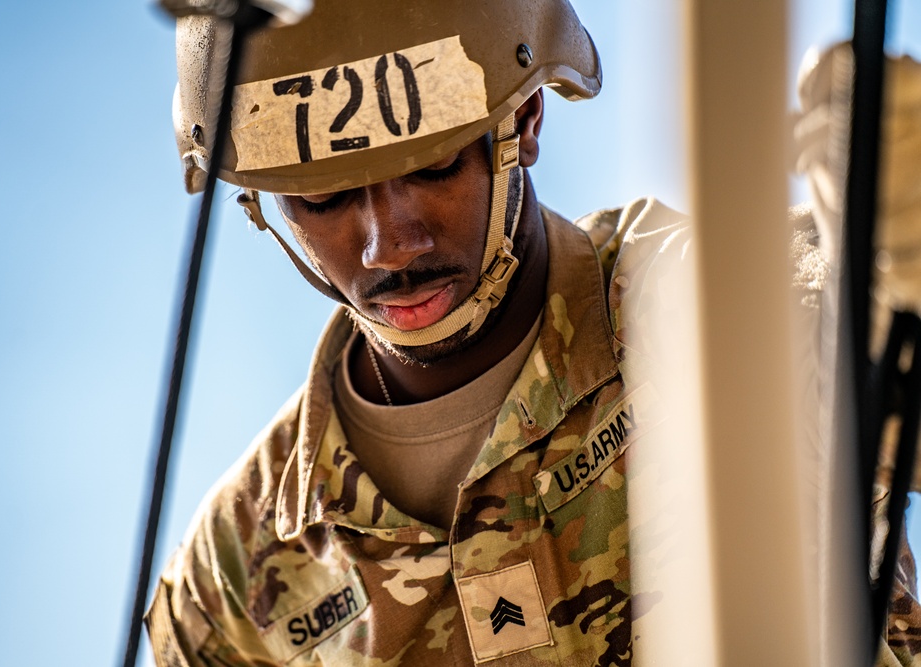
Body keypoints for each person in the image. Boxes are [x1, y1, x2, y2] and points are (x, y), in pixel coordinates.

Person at [146, 1, 921, 665]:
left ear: (524, 118)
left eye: (433, 166)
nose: (390, 245)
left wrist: (899, 261)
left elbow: (863, 359)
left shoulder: (717, 309)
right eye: (325, 198)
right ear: (267, 203)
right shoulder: (233, 578)